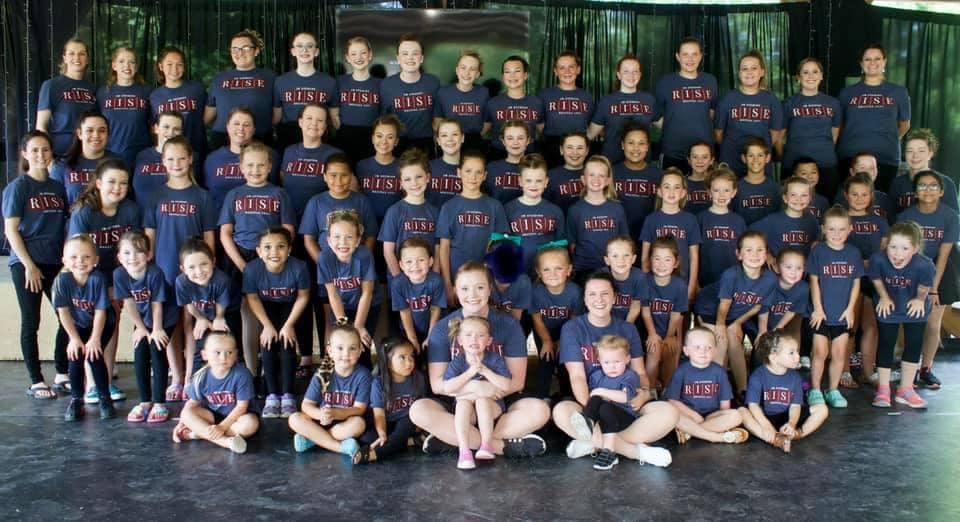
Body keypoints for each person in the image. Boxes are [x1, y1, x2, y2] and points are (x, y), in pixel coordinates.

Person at [409, 262, 551, 458]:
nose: (473, 295)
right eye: (465, 288)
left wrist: (489, 391)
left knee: (541, 410)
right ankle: (500, 447)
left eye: (480, 287)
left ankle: (456, 441)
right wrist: (476, 388)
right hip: (459, 403)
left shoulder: (509, 325)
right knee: (418, 410)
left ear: (489, 290)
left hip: (498, 401)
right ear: (455, 291)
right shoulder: (443, 328)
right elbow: (437, 385)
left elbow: (517, 382)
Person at [552, 272, 677, 465]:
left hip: (625, 405)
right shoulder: (572, 328)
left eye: (605, 293)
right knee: (561, 411)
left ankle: (592, 444)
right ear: (585, 299)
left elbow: (640, 372)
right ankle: (635, 452)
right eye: (592, 294)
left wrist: (644, 393)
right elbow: (577, 376)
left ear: (614, 297)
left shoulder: (627, 329)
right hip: (591, 405)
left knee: (669, 412)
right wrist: (592, 411)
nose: (599, 299)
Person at [143, 136, 217, 400]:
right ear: (163, 161)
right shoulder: (155, 196)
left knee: (190, 322)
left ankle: (189, 378)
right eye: (171, 159)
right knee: (171, 324)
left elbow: (209, 237)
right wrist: (150, 268)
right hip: (164, 269)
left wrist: (208, 268)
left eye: (181, 158)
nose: (176, 163)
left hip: (195, 272)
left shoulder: (202, 196)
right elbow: (149, 237)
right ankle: (176, 376)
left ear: (190, 159)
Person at [68, 158, 142, 404]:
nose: (117, 188)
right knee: (92, 327)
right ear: (98, 183)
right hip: (88, 274)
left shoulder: (130, 209)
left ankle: (106, 381)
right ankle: (91, 384)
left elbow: (134, 249)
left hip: (117, 273)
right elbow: (77, 253)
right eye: (111, 182)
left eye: (123, 183)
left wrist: (120, 284)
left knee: (112, 323)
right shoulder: (84, 212)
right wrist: (96, 286)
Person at [4, 131, 70, 398]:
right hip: (27, 263)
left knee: (68, 315)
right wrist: (29, 265)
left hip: (55, 262)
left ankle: (62, 372)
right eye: (35, 150)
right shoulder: (19, 187)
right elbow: (11, 230)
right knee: (31, 321)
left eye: (45, 150)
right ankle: (36, 380)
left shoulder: (57, 187)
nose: (41, 155)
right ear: (25, 154)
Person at [896, 171, 959, 389]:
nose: (928, 190)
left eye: (933, 186)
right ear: (915, 192)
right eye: (922, 186)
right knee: (912, 322)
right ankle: (910, 368)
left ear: (941, 191)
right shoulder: (905, 216)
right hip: (911, 270)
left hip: (941, 271)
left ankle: (926, 369)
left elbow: (943, 255)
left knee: (933, 324)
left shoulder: (950, 216)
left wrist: (932, 288)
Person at [696, 231, 778, 398]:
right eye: (749, 250)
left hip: (733, 314)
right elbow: (724, 304)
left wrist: (761, 329)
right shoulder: (731, 275)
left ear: (766, 254)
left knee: (734, 341)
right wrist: (720, 326)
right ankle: (715, 391)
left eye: (760, 250)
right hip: (710, 309)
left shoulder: (770, 279)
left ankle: (743, 391)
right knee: (721, 343)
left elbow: (761, 307)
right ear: (739, 254)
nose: (755, 254)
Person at [243, 228, 311, 418]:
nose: (274, 252)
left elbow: (303, 296)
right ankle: (272, 395)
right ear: (259, 251)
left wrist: (289, 325)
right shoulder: (252, 269)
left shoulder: (299, 267)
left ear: (289, 250)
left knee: (287, 342)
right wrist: (266, 326)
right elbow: (252, 298)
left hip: (290, 305)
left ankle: (288, 395)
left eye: (280, 246)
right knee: (268, 342)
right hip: (266, 306)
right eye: (267, 247)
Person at [869, 222, 935, 408]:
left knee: (913, 344)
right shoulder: (878, 259)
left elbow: (925, 287)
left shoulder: (924, 265)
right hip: (889, 305)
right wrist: (884, 297)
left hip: (914, 306)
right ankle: (883, 389)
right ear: (886, 245)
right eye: (893, 247)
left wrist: (919, 300)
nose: (897, 254)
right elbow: (876, 278)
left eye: (905, 248)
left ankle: (905, 389)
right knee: (886, 343)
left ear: (915, 249)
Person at [113, 231, 178, 423]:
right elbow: (129, 303)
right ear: (119, 257)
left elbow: (157, 304)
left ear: (149, 255)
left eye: (138, 252)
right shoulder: (119, 274)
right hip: (143, 319)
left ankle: (159, 402)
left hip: (164, 317)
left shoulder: (154, 273)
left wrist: (157, 329)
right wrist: (140, 328)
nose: (132, 257)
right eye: (127, 253)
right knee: (140, 352)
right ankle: (145, 401)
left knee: (157, 350)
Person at [808, 207, 864, 408]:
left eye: (841, 229)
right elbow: (814, 281)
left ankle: (832, 389)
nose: (837, 234)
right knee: (820, 353)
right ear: (824, 229)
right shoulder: (818, 252)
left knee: (840, 354)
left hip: (842, 314)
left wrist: (850, 309)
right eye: (831, 229)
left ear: (850, 229)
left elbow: (856, 283)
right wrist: (818, 308)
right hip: (822, 313)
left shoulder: (853, 253)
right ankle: (815, 389)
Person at [55, 234, 116, 421]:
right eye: (74, 257)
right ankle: (76, 400)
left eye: (86, 257)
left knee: (94, 355)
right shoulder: (62, 281)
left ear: (95, 260)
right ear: (64, 260)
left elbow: (101, 312)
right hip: (78, 324)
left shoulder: (97, 279)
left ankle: (105, 398)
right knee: (75, 357)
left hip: (102, 322)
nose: (80, 261)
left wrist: (95, 338)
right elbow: (63, 312)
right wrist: (73, 339)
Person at [837, 44, 911, 193]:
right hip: (851, 157)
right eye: (867, 59)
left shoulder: (899, 92)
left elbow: (904, 124)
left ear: (884, 62)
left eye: (877, 58)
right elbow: (839, 125)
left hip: (886, 157)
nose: (872, 63)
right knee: (852, 200)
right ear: (861, 63)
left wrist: (887, 139)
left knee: (881, 201)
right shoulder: (847, 93)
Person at [436, 150, 508, 306]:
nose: (473, 177)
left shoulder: (494, 206)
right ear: (459, 173)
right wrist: (447, 283)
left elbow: (500, 245)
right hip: (457, 276)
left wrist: (496, 276)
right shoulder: (448, 207)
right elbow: (444, 247)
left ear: (485, 175)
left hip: (485, 277)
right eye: (468, 171)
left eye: (478, 172)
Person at [442, 316, 514, 469]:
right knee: (462, 404)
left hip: (492, 407)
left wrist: (485, 371)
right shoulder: (458, 362)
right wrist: (470, 373)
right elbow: (447, 387)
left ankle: (486, 445)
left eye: (480, 335)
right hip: (469, 413)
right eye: (468, 335)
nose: (474, 339)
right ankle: (464, 451)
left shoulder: (494, 359)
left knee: (482, 400)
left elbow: (506, 385)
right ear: (460, 340)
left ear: (489, 341)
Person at [288, 325, 371, 458]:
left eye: (352, 348)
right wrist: (320, 414)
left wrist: (335, 413)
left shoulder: (363, 375)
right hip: (321, 421)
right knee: (294, 418)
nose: (346, 354)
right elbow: (306, 405)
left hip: (343, 423)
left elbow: (359, 409)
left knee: (359, 424)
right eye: (340, 348)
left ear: (360, 350)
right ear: (330, 351)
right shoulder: (322, 374)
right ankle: (339, 447)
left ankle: (312, 440)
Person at [739, 330, 828, 452]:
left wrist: (791, 423)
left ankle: (796, 434)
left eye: (797, 352)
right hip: (764, 417)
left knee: (822, 409)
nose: (797, 356)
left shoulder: (795, 377)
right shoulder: (758, 376)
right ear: (774, 357)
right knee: (742, 412)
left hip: (787, 417)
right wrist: (766, 425)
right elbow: (753, 405)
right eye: (791, 353)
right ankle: (775, 439)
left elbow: (795, 405)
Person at [173, 332, 259, 454]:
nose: (223, 358)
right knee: (186, 413)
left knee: (251, 424)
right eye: (217, 352)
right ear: (204, 355)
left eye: (229, 352)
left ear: (236, 354)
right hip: (211, 417)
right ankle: (226, 442)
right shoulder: (200, 377)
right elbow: (191, 404)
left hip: (237, 418)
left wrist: (222, 427)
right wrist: (182, 423)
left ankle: (198, 434)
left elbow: (241, 407)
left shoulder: (242, 374)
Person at [568, 335, 643, 471]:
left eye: (617, 362)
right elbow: (593, 397)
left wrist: (601, 391)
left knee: (605, 406)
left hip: (624, 416)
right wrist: (598, 394)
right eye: (606, 362)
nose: (612, 367)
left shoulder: (629, 376)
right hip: (603, 417)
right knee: (596, 400)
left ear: (627, 359)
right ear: (599, 361)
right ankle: (587, 422)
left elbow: (624, 397)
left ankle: (609, 451)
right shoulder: (597, 376)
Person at [665, 327, 749, 445]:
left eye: (708, 348)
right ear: (686, 350)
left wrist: (723, 420)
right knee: (671, 414)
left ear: (714, 351)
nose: (703, 351)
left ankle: (690, 433)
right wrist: (694, 415)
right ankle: (713, 434)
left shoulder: (719, 372)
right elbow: (672, 401)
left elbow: (725, 403)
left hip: (712, 416)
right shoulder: (681, 372)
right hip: (689, 416)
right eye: (697, 347)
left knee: (736, 416)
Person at [844, 173, 888, 384]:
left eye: (864, 194)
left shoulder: (879, 222)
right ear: (846, 195)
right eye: (854, 194)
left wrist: (873, 263)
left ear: (871, 196)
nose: (859, 199)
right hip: (847, 279)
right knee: (849, 327)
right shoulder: (841, 219)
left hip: (873, 279)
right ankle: (844, 370)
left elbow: (884, 251)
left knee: (871, 327)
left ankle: (869, 372)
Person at [318, 210, 380, 361]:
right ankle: (334, 374)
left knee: (361, 347)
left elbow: (367, 293)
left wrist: (358, 326)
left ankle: (363, 374)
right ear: (329, 240)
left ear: (358, 241)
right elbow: (333, 294)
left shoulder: (364, 255)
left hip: (366, 306)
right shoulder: (324, 258)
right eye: (337, 237)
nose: (343, 242)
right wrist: (343, 324)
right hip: (341, 306)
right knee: (340, 346)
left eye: (349, 237)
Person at [355, 337, 425, 464]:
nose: (409, 362)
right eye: (402, 357)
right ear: (387, 362)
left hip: (406, 423)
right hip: (385, 423)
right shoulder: (378, 383)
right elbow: (379, 415)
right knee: (367, 438)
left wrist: (420, 425)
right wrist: (382, 434)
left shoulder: (418, 378)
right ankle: (409, 442)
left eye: (411, 356)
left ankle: (376, 454)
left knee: (406, 422)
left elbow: (422, 405)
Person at [778, 57, 842, 197]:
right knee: (793, 205)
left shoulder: (833, 103)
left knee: (825, 205)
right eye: (805, 72)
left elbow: (834, 136)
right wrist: (789, 157)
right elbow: (779, 139)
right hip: (794, 165)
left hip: (825, 165)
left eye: (815, 71)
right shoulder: (788, 103)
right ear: (798, 77)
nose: (810, 76)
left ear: (821, 76)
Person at [714, 50, 784, 177]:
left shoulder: (771, 100)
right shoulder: (727, 99)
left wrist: (756, 151)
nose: (749, 72)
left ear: (762, 72)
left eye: (754, 68)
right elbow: (719, 135)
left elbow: (774, 136)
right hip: (731, 160)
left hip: (759, 163)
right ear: (739, 73)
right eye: (744, 69)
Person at [175, 239, 237, 379]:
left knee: (227, 346)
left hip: (226, 313)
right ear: (183, 269)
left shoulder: (222, 280)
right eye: (191, 267)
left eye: (204, 264)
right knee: (201, 347)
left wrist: (219, 318)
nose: (199, 271)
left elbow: (222, 303)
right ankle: (194, 385)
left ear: (213, 262)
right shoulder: (181, 282)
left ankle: (230, 383)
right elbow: (189, 305)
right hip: (202, 314)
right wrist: (201, 319)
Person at [299, 154, 378, 262]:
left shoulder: (362, 201)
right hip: (327, 263)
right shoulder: (316, 202)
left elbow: (370, 236)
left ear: (351, 176)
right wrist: (323, 264)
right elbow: (309, 240)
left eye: (344, 175)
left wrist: (361, 262)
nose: (338, 181)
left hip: (357, 264)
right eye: (333, 175)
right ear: (325, 176)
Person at [655, 37, 718, 173]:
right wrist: (675, 128)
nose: (690, 59)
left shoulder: (710, 81)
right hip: (673, 153)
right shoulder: (665, 82)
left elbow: (711, 114)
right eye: (685, 54)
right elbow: (657, 117)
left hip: (703, 155)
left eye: (694, 54)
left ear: (700, 56)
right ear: (678, 57)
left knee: (704, 187)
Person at [204, 29, 275, 149]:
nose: (240, 53)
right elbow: (209, 115)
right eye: (235, 49)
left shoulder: (270, 77)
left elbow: (277, 115)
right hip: (223, 140)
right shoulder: (220, 78)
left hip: (259, 140)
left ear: (256, 51)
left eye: (245, 48)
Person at [639, 167, 701, 305]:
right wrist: (646, 285)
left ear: (683, 193)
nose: (671, 192)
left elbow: (694, 257)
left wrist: (691, 288)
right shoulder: (651, 219)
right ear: (659, 191)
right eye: (667, 187)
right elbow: (644, 257)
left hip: (682, 284)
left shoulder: (690, 220)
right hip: (656, 285)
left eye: (676, 187)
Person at [530, 246, 582, 400]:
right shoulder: (535, 292)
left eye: (558, 268)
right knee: (546, 360)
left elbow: (574, 319)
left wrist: (562, 341)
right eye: (546, 269)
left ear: (569, 270)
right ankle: (542, 399)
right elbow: (537, 319)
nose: (552, 274)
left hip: (567, 332)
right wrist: (547, 341)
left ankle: (568, 398)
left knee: (564, 362)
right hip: (544, 332)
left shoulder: (575, 292)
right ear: (539, 272)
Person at [204, 107, 281, 211]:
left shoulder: (270, 155)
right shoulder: (212, 159)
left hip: (257, 218)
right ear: (227, 127)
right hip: (219, 219)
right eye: (236, 124)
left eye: (246, 125)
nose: (241, 128)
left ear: (253, 129)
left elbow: (275, 190)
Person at [380, 148, 440, 281]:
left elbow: (437, 249)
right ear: (401, 183)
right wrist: (400, 280)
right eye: (407, 179)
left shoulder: (435, 212)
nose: (414, 183)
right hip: (401, 281)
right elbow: (388, 251)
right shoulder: (394, 211)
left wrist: (435, 277)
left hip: (428, 282)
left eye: (419, 177)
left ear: (428, 177)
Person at [273, 32, 338, 151]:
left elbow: (334, 119)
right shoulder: (280, 81)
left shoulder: (330, 82)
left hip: (317, 135)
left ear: (316, 51)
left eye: (309, 46)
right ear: (293, 51)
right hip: (288, 137)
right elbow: (277, 117)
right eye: (299, 46)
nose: (305, 50)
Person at [589, 54, 659, 164]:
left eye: (635, 71)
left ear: (640, 75)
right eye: (626, 71)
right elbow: (590, 134)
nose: (631, 75)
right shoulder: (607, 101)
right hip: (612, 162)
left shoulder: (649, 100)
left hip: (642, 163)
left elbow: (666, 126)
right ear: (619, 75)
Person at [279, 103, 344, 220]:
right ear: (300, 122)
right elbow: (283, 180)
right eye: (309, 118)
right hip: (289, 218)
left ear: (325, 126)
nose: (314, 123)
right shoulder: (289, 151)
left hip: (322, 219)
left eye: (320, 120)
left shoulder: (335, 154)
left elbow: (348, 189)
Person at [640, 237, 689, 393]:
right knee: (654, 350)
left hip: (668, 331)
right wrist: (652, 334)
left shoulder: (679, 286)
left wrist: (669, 336)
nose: (661, 264)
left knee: (670, 349)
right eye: (657, 259)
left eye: (667, 259)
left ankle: (668, 390)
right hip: (648, 331)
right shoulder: (644, 281)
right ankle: (650, 391)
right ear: (650, 260)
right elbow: (645, 312)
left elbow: (676, 315)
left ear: (675, 263)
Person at [566, 155, 629, 276]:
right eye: (592, 175)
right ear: (583, 179)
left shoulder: (617, 208)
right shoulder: (575, 210)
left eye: (601, 175)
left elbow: (624, 240)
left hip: (612, 267)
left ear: (607, 180)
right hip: (583, 269)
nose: (596, 179)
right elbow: (572, 245)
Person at [505, 153, 565, 274]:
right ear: (520, 181)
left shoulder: (555, 211)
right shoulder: (507, 209)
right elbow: (503, 246)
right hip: (518, 273)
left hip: (548, 274)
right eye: (528, 180)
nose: (533, 185)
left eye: (539, 181)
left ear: (546, 182)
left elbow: (561, 246)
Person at [379, 33, 440, 154]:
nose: (410, 58)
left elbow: (438, 117)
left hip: (426, 144)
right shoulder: (386, 85)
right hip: (397, 144)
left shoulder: (433, 83)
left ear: (421, 58)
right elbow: (384, 120)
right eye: (405, 54)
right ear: (398, 58)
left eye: (415, 53)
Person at [36, 38, 96, 156]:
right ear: (65, 58)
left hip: (88, 153)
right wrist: (48, 157)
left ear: (87, 59)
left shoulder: (94, 88)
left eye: (82, 54)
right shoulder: (51, 85)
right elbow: (41, 126)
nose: (77, 58)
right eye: (71, 53)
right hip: (60, 153)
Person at [150, 46, 208, 167]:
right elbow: (154, 128)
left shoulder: (197, 89)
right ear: (161, 66)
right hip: (170, 158)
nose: (174, 69)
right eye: (169, 64)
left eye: (179, 64)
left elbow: (207, 116)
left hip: (196, 151)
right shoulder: (155, 96)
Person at [97, 47, 152, 169]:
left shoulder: (147, 92)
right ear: (114, 66)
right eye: (121, 61)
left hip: (140, 156)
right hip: (110, 155)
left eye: (131, 62)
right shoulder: (102, 93)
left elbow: (154, 125)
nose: (126, 65)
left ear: (136, 67)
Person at [49, 112, 120, 206]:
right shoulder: (61, 165)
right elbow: (53, 203)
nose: (96, 135)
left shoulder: (118, 163)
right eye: (90, 130)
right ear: (79, 134)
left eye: (102, 131)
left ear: (108, 134)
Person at [538, 51, 594, 168]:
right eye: (562, 68)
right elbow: (539, 126)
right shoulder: (544, 95)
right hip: (551, 148)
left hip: (578, 149)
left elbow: (592, 126)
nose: (567, 72)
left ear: (578, 69)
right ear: (555, 71)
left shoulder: (587, 96)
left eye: (571, 67)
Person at [390, 238, 446, 352]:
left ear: (430, 261)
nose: (415, 265)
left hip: (433, 327)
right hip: (408, 329)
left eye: (421, 260)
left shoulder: (436, 281)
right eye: (409, 261)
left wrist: (431, 336)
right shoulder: (397, 284)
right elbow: (404, 312)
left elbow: (435, 309)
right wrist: (412, 338)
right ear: (401, 265)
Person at [483, 56, 543, 160]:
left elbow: (544, 131)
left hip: (528, 160)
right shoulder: (492, 103)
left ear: (525, 75)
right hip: (498, 157)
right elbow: (482, 130)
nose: (512, 75)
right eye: (507, 72)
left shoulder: (537, 103)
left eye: (517, 71)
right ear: (503, 76)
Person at [889, 128, 959, 215]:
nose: (915, 155)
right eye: (910, 151)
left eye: (921, 151)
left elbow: (953, 218)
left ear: (930, 154)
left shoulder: (946, 183)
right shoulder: (897, 183)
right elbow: (891, 217)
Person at [697, 167, 745, 289]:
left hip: (732, 281)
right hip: (705, 280)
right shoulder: (700, 218)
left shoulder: (739, 221)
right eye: (716, 190)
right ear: (709, 192)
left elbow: (743, 253)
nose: (721, 195)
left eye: (726, 190)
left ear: (734, 192)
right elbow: (694, 252)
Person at [751, 176, 819, 261]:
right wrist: (766, 253)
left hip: (803, 268)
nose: (799, 199)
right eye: (793, 195)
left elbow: (816, 244)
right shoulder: (772, 221)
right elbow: (749, 234)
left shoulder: (812, 221)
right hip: (778, 268)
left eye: (804, 195)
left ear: (810, 198)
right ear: (785, 198)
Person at [613, 124, 663, 238]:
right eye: (631, 143)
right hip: (618, 237)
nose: (636, 148)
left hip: (649, 237)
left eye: (641, 143)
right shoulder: (611, 173)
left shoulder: (659, 175)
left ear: (647, 147)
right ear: (623, 145)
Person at [335, 36, 379, 162]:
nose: (359, 58)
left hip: (372, 139)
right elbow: (334, 114)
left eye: (363, 53)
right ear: (348, 58)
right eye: (353, 54)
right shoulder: (339, 82)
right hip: (345, 138)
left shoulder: (381, 84)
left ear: (370, 55)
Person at [434, 50, 488, 151]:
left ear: (477, 74)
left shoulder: (484, 93)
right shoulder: (443, 93)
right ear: (457, 70)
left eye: (472, 69)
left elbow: (487, 121)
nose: (467, 73)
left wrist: (476, 136)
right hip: (450, 142)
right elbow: (438, 120)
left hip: (474, 142)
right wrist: (447, 139)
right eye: (463, 68)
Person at [356, 115, 403, 221]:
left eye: (390, 137)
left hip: (394, 222)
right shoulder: (361, 166)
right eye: (379, 136)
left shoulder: (403, 167)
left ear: (396, 141)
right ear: (373, 138)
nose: (384, 141)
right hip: (366, 221)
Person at [132, 111, 184, 207]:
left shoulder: (186, 158)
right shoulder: (141, 156)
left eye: (176, 129)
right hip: (141, 214)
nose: (171, 133)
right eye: (166, 127)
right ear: (156, 128)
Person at [731, 138, 781, 225]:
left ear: (767, 158)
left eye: (760, 155)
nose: (755, 159)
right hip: (744, 233)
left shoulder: (775, 188)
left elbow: (779, 219)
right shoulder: (735, 188)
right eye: (751, 155)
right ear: (744, 158)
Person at [485, 120, 531, 204]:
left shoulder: (535, 168)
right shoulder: (491, 168)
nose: (515, 142)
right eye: (510, 138)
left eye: (520, 138)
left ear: (528, 140)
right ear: (503, 141)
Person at [545, 131, 589, 213]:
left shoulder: (595, 175)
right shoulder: (551, 176)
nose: (575, 152)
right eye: (569, 147)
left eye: (580, 148)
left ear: (587, 151)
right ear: (561, 150)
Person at [602, 236, 643, 324]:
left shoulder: (639, 277)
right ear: (607, 260)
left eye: (626, 255)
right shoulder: (601, 277)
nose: (621, 260)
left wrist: (626, 327)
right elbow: (600, 307)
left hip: (628, 322)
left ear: (633, 259)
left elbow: (635, 306)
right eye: (615, 256)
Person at [428, 119, 466, 208]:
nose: (450, 139)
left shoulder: (472, 170)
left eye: (455, 134)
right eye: (444, 135)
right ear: (438, 141)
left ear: (462, 138)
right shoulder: (427, 167)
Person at [683, 142, 714, 215]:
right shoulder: (680, 183)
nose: (700, 161)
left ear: (711, 160)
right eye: (695, 157)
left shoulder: (719, 184)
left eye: (705, 157)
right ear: (689, 160)